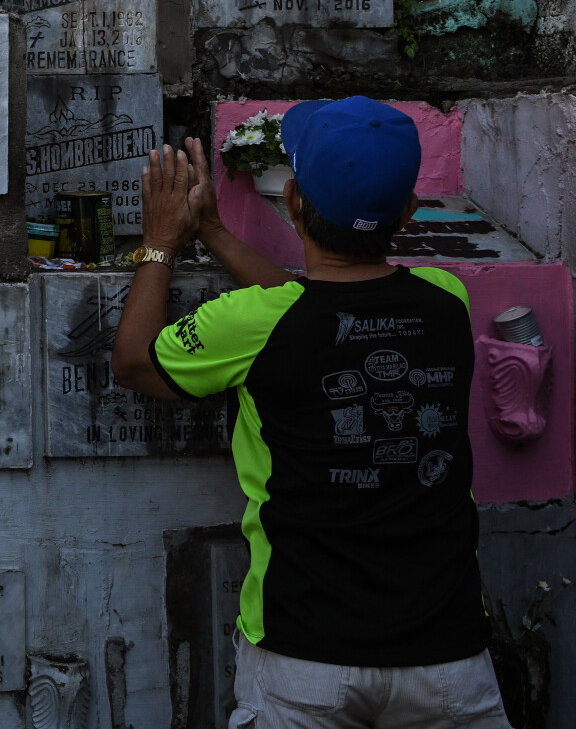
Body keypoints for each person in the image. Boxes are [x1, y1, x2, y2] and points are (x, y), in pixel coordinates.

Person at [108, 98, 506, 729]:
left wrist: (160, 243)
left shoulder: (255, 325)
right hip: (446, 654)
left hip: (305, 655)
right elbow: (316, 301)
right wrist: (215, 234)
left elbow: (134, 361)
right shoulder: (447, 301)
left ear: (292, 200)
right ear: (406, 212)